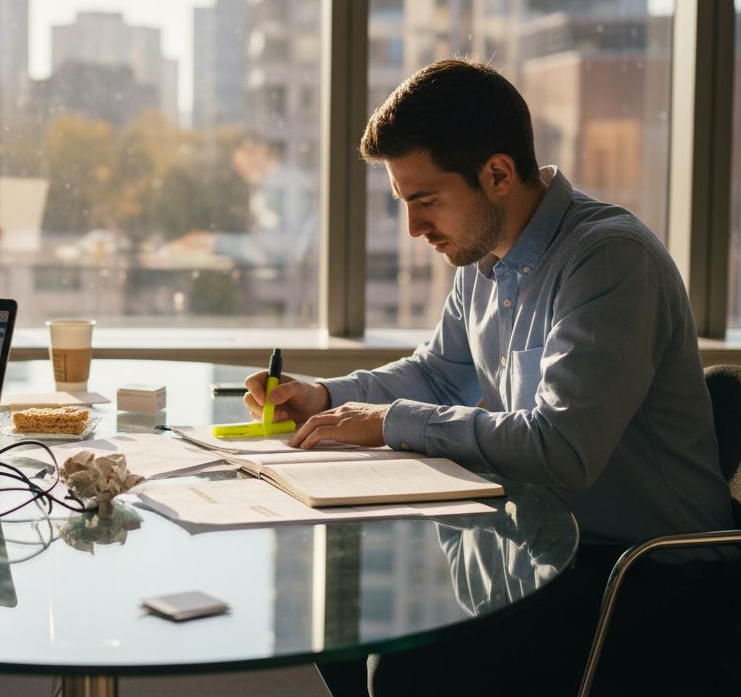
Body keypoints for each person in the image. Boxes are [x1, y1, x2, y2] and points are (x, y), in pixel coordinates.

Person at [243, 59, 735, 695]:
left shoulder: (610, 260)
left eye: (425, 201)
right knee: (333, 626)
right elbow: (440, 376)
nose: (415, 228)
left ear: (498, 174)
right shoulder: (482, 261)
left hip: (646, 576)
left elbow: (564, 450)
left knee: (409, 670)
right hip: (534, 546)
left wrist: (391, 422)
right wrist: (326, 396)